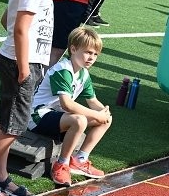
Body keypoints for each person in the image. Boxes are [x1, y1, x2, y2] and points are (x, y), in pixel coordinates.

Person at [0, 0, 68, 196]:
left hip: (20, 61)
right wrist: (25, 66)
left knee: (6, 124)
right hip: (20, 64)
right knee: (13, 127)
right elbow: (20, 29)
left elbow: (6, 18)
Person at [30, 26, 112, 186]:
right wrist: (96, 115)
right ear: (73, 49)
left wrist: (103, 112)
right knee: (79, 120)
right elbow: (66, 104)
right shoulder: (63, 70)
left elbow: (92, 101)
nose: (92, 58)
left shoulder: (83, 73)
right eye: (88, 52)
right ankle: (61, 164)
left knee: (106, 119)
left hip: (58, 117)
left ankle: (80, 160)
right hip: (37, 117)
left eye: (95, 54)